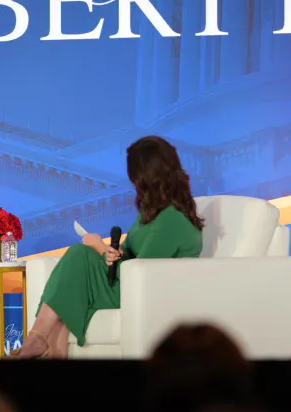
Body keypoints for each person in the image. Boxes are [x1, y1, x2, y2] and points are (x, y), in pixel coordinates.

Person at [15, 136, 204, 358]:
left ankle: (39, 340)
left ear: (147, 177)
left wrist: (100, 247)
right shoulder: (153, 211)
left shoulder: (171, 219)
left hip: (145, 292)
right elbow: (129, 252)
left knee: (79, 256)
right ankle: (50, 347)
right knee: (77, 269)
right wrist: (114, 253)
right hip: (127, 282)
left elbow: (142, 272)